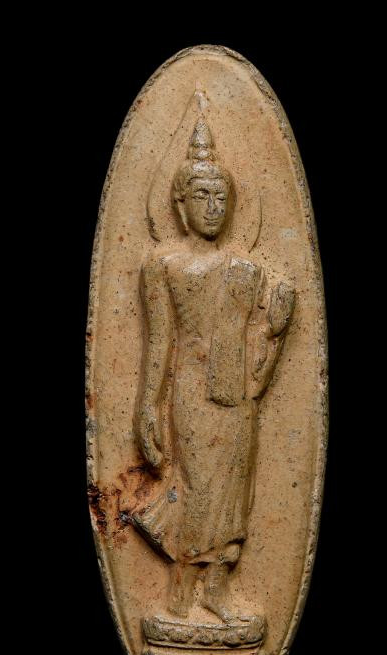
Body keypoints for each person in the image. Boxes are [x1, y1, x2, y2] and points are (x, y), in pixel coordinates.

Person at [133, 118, 294, 623]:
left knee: (235, 496)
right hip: (191, 392)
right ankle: (180, 597)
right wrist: (147, 406)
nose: (213, 207)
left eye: (221, 197)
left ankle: (217, 592)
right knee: (200, 491)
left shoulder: (247, 271)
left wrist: (275, 331)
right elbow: (159, 342)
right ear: (180, 203)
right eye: (202, 196)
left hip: (236, 397)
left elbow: (256, 360)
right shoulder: (163, 265)